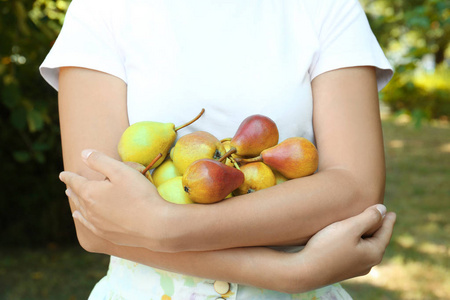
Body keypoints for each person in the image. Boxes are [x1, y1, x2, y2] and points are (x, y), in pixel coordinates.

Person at [40, 0, 397, 298]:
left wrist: (164, 225)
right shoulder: (102, 9)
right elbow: (91, 219)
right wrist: (291, 272)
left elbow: (356, 191)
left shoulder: (328, 7)